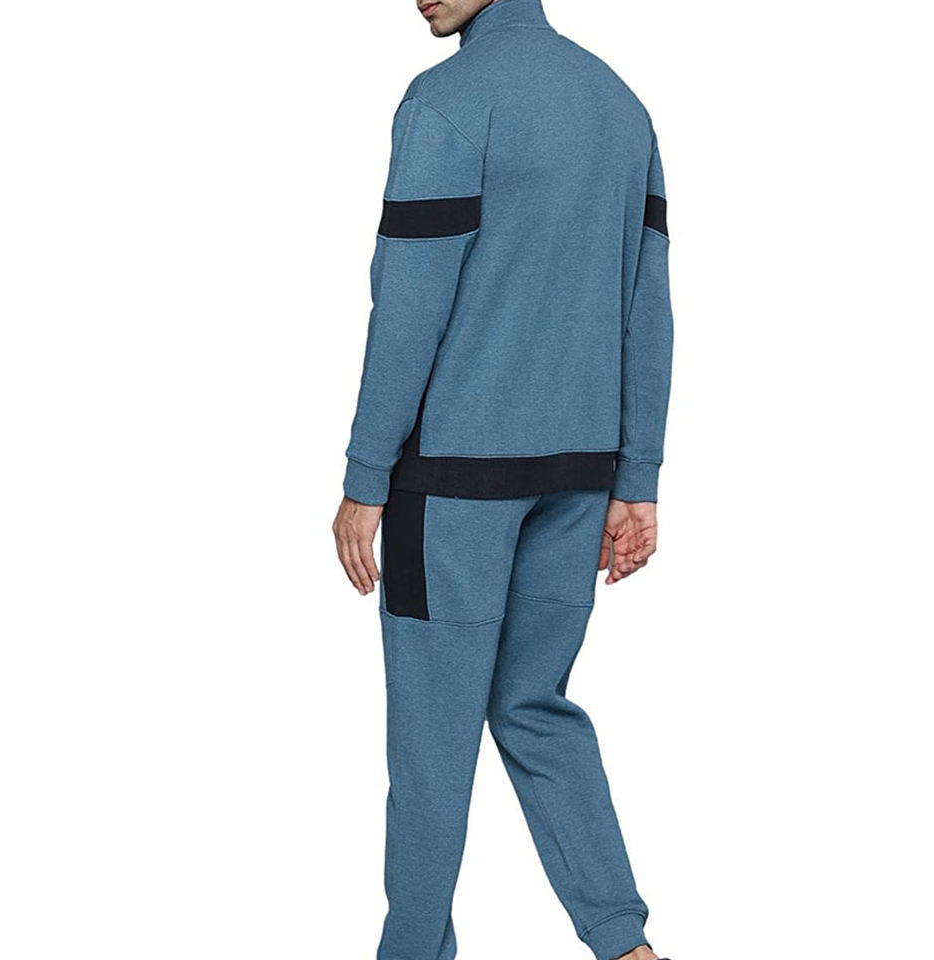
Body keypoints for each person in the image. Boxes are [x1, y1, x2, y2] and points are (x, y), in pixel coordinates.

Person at [332, 2, 673, 958]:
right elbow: (648, 305)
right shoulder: (622, 107)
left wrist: (365, 475)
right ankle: (626, 945)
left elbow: (408, 308)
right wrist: (636, 478)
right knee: (533, 706)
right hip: (579, 477)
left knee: (433, 751)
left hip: (451, 489)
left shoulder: (446, 103)